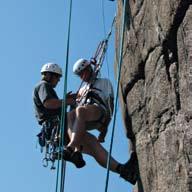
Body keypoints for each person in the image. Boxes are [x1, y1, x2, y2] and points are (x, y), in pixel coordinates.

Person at [61, 58, 138, 185]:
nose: (82, 77)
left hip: (100, 113)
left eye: (83, 73)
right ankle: (124, 171)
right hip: (88, 117)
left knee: (80, 111)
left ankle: (72, 147)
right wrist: (69, 100)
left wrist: (105, 129)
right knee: (70, 115)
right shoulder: (81, 90)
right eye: (80, 75)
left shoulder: (104, 82)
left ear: (89, 69)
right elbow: (75, 114)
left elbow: (110, 105)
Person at [33, 63, 76, 151]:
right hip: (55, 126)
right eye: (57, 77)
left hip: (55, 127)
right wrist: (67, 101)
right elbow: (48, 103)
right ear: (49, 75)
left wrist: (65, 101)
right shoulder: (43, 85)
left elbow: (53, 109)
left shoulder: (45, 87)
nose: (58, 80)